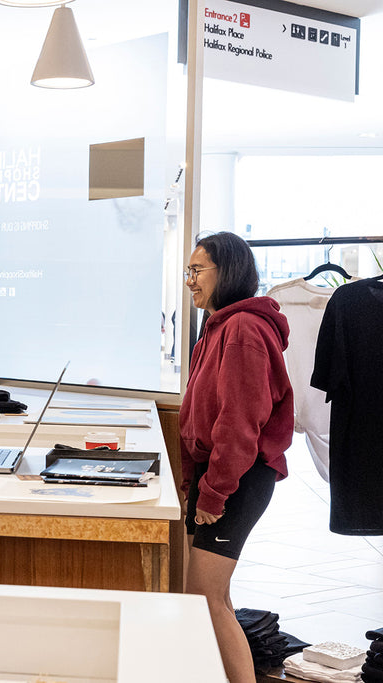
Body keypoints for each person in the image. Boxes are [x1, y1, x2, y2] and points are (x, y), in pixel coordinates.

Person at [180, 231, 293, 683]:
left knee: (206, 599)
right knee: (213, 598)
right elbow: (199, 413)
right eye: (188, 271)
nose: (189, 280)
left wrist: (213, 492)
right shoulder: (219, 325)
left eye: (197, 270)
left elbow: (240, 422)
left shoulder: (243, 328)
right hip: (222, 476)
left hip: (238, 478)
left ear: (226, 272)